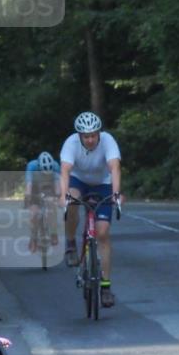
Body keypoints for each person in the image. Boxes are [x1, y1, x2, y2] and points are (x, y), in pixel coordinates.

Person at [59, 111, 122, 308]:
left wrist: (116, 194)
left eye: (94, 135)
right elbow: (65, 171)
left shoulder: (108, 141)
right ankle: (70, 244)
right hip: (79, 181)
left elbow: (114, 168)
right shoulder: (71, 143)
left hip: (103, 183)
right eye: (86, 136)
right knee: (72, 201)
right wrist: (63, 197)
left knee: (102, 233)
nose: (90, 139)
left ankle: (105, 287)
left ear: (99, 133)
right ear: (79, 136)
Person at [24, 151, 60, 253]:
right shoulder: (31, 166)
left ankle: (53, 233)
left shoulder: (56, 166)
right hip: (35, 188)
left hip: (49, 188)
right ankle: (33, 238)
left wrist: (57, 198)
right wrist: (28, 200)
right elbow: (28, 187)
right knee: (33, 214)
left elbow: (58, 187)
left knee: (51, 204)